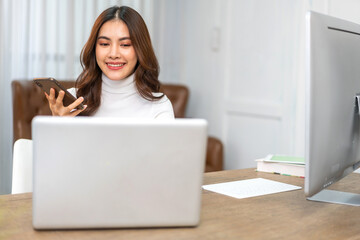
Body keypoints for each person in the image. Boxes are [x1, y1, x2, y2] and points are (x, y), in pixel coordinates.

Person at [45, 6, 174, 119]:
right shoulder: (72, 101)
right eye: (104, 44)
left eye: (125, 44)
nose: (113, 54)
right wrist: (58, 123)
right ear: (94, 48)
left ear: (140, 50)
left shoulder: (158, 106)